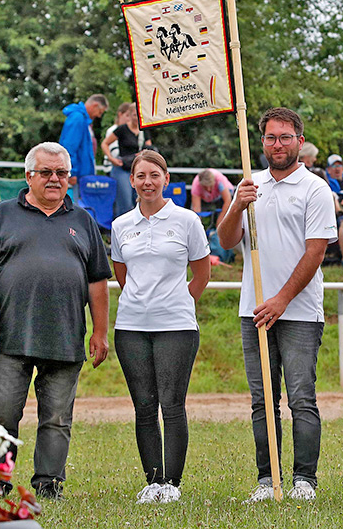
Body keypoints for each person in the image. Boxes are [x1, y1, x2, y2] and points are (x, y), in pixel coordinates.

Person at [0, 142, 111, 499]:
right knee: (2, 414)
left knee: (57, 419)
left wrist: (100, 332)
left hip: (65, 339)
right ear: (28, 175)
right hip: (11, 337)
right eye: (46, 172)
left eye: (61, 173)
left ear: (69, 178)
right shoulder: (2, 214)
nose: (54, 179)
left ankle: (48, 483)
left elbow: (98, 281)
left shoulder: (84, 220)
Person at [216, 107, 338, 503]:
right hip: (254, 310)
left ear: (300, 142)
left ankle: (305, 480)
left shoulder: (315, 189)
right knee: (262, 400)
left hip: (299, 312)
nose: (277, 144)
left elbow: (316, 251)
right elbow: (227, 240)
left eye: (286, 137)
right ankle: (267, 480)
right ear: (262, 141)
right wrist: (237, 203)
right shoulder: (251, 185)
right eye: (271, 137)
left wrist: (282, 300)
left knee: (301, 396)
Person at [111, 150, 211, 503]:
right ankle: (152, 481)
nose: (147, 182)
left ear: (166, 179)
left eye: (154, 175)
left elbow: (202, 272)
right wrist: (143, 302)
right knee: (143, 406)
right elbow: (122, 275)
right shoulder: (121, 225)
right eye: (141, 176)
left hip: (177, 326)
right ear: (132, 180)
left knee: (171, 404)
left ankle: (172, 484)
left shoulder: (186, 220)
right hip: (131, 326)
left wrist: (178, 302)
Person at [59, 93, 109, 199]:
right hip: (77, 176)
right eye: (100, 112)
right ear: (95, 105)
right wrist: (71, 173)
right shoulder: (78, 119)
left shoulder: (83, 120)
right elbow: (69, 148)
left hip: (82, 175)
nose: (99, 116)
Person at [102, 103, 142, 217]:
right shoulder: (118, 129)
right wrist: (111, 159)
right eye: (134, 115)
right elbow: (108, 145)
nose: (136, 118)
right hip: (121, 167)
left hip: (137, 168)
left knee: (138, 201)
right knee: (124, 203)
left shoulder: (143, 130)